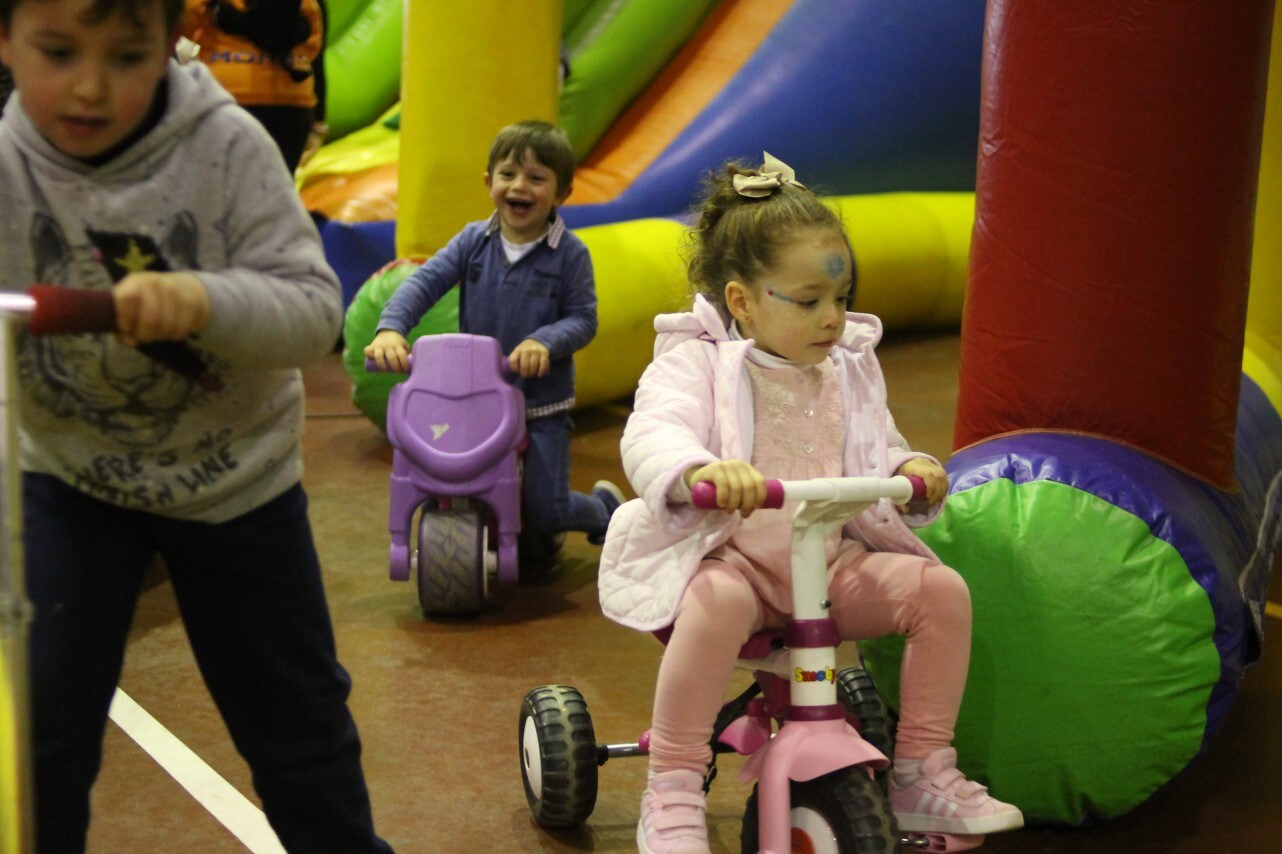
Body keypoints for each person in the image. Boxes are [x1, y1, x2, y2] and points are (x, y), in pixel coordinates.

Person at [0, 0, 391, 850]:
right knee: (36, 737)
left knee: (299, 734)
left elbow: (312, 311)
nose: (91, 87)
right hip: (68, 480)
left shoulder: (225, 147)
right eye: (58, 52)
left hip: (234, 486)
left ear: (172, 43)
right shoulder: (7, 159)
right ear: (5, 41)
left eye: (128, 55)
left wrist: (205, 300)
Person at [597, 154, 1025, 853]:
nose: (832, 317)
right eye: (808, 301)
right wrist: (699, 469)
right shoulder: (695, 360)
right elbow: (654, 432)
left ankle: (921, 772)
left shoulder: (848, 369)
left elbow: (873, 446)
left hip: (822, 567)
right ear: (743, 301)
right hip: (729, 556)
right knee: (716, 604)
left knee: (939, 593)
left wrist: (906, 465)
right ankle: (672, 784)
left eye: (842, 298)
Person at [365, 120, 623, 553]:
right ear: (489, 182)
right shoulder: (473, 241)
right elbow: (422, 282)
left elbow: (583, 319)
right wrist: (391, 328)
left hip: (540, 402)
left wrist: (545, 341)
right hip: (474, 395)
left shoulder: (570, 255)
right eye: (508, 174)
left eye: (537, 178)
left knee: (545, 513)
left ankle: (603, 510)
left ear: (562, 193)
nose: (519, 186)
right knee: (446, 475)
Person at [178, 0, 325, 172]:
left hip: (228, 97)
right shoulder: (308, 4)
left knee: (224, 188)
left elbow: (183, 24)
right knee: (279, 186)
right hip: (293, 102)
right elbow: (313, 44)